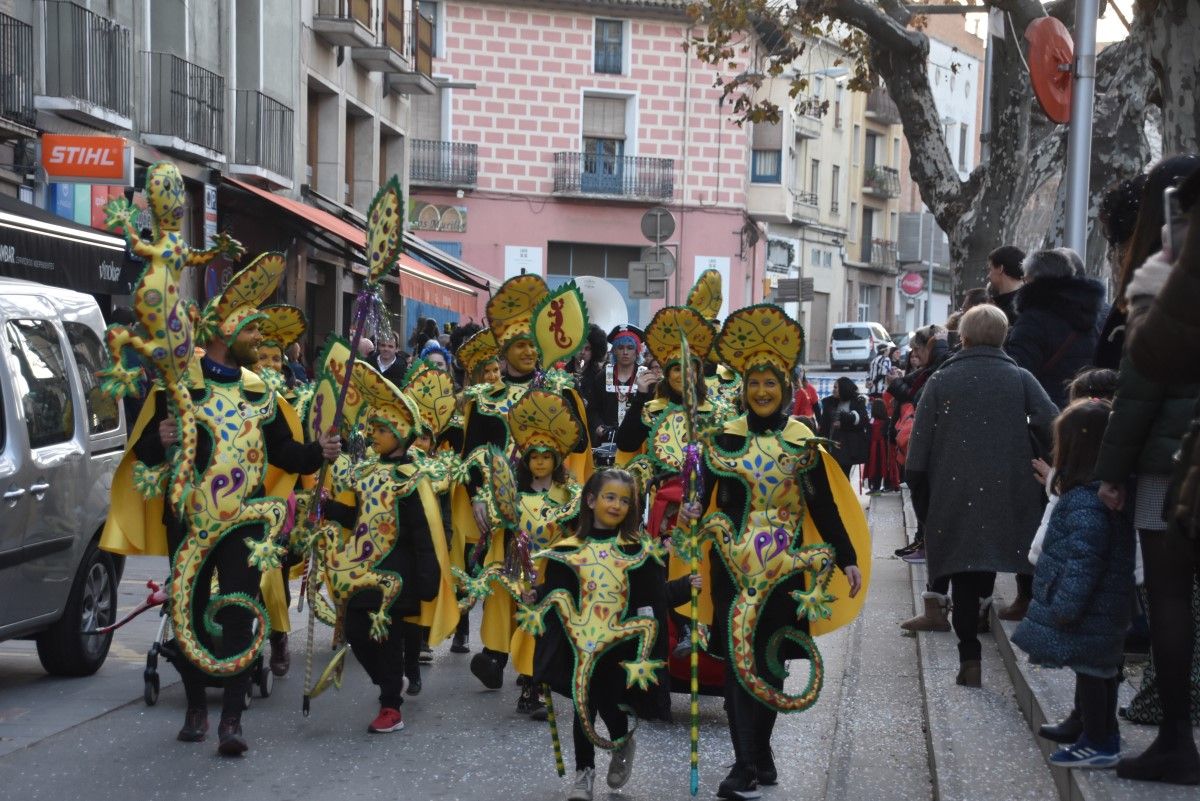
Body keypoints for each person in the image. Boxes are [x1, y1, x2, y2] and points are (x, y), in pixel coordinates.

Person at [102, 252, 341, 755]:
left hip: (245, 525)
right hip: (188, 522)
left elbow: (286, 455)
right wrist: (160, 437)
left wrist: (319, 452)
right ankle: (195, 708)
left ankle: (231, 719)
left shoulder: (263, 394)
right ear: (222, 333)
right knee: (187, 611)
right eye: (251, 331)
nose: (260, 340)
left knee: (239, 612)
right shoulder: (181, 386)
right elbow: (146, 448)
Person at [687, 304, 868, 798]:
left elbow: (824, 506)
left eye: (771, 384)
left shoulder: (801, 439)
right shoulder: (723, 438)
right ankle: (746, 763)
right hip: (731, 570)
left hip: (785, 570)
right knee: (736, 660)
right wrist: (687, 512)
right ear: (743, 389)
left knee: (768, 662)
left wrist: (847, 556)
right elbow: (701, 503)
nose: (762, 392)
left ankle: (757, 755)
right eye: (754, 384)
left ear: (786, 388)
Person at [904, 304, 1058, 687]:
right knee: (987, 554)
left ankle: (969, 654)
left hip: (952, 488)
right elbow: (1053, 421)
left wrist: (919, 490)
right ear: (1004, 338)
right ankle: (986, 628)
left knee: (964, 567)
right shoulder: (1020, 378)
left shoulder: (941, 380)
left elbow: (919, 444)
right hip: (1010, 489)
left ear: (964, 338)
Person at [528, 469, 692, 801]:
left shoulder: (636, 550)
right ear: (591, 500)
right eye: (609, 497)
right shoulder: (569, 547)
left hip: (620, 646)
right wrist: (536, 595)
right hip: (581, 644)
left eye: (624, 500)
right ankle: (583, 774)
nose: (616, 505)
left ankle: (621, 741)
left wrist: (688, 587)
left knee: (612, 705)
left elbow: (655, 596)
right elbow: (558, 591)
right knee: (582, 705)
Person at [317, 364, 444, 733]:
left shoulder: (411, 477)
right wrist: (326, 506)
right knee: (356, 631)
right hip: (363, 565)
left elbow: (424, 531)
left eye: (381, 430)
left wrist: (426, 578)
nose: (372, 435)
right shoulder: (366, 472)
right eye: (372, 428)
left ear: (400, 435)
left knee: (385, 636)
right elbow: (356, 515)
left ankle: (391, 704)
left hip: (398, 571)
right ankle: (391, 684)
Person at [1012, 399, 1134, 769]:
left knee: (1096, 674)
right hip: (1099, 607)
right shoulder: (1089, 495)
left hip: (1093, 607)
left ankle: (1100, 741)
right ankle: (1089, 730)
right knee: (1093, 670)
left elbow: (1084, 561)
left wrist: (1066, 604)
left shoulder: (1085, 502)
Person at [1004, 248, 1104, 409]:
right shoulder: (1089, 313)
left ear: (1033, 280)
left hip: (1047, 409)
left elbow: (1019, 372)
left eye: (1025, 278)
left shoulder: (1033, 319)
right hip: (1082, 408)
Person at [587, 325, 646, 446]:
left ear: (637, 351)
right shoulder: (601, 376)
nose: (625, 352)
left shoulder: (645, 376)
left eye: (630, 348)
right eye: (620, 348)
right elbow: (592, 409)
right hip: (606, 441)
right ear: (614, 350)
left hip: (637, 442)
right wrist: (598, 426)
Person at [818, 376, 869, 479]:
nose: (833, 390)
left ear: (844, 388)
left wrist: (843, 424)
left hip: (848, 448)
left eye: (836, 387)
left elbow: (862, 422)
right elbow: (824, 424)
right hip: (831, 444)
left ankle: (844, 494)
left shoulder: (857, 402)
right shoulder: (829, 402)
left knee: (843, 475)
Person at [986, 244, 1026, 324]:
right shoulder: (1027, 303)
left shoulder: (1018, 309)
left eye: (990, 269)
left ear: (1000, 269)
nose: (988, 276)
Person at [791, 366, 820, 432]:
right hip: (790, 423)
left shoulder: (810, 388)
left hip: (806, 423)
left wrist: (820, 423)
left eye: (801, 371)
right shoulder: (787, 389)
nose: (799, 374)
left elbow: (816, 407)